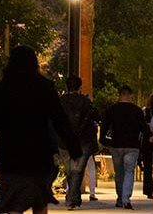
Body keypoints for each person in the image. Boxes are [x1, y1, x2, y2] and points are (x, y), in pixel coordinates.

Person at [0, 45, 81, 214]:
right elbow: (60, 119)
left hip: (10, 152)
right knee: (39, 200)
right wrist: (74, 148)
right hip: (38, 153)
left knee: (12, 201)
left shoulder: (1, 88)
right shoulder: (44, 87)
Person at [101, 85, 147, 210]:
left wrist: (104, 140)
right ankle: (126, 198)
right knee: (129, 171)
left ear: (119, 94)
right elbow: (144, 128)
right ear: (130, 95)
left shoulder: (111, 110)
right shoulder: (137, 110)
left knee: (119, 172)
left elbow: (105, 127)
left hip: (116, 145)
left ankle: (120, 197)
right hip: (132, 145)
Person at [59, 75, 99, 209]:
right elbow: (96, 117)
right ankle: (72, 198)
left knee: (70, 170)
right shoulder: (86, 101)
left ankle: (72, 197)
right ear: (79, 87)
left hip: (64, 141)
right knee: (78, 170)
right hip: (83, 140)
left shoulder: (60, 101)